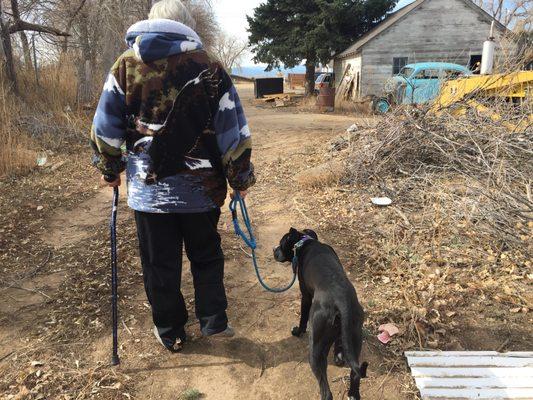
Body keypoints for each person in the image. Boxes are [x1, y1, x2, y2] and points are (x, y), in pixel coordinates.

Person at [89, 0, 255, 352]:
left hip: (150, 197)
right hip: (203, 192)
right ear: (188, 25)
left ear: (150, 23)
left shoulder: (125, 66)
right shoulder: (210, 66)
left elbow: (106, 126)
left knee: (159, 263)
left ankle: (170, 330)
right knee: (206, 254)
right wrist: (239, 179)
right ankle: (213, 320)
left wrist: (109, 168)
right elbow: (233, 129)